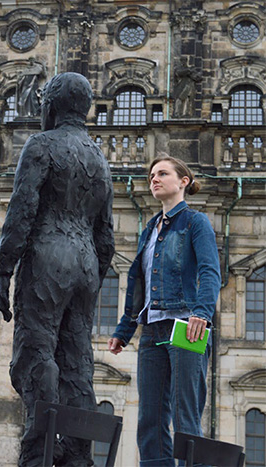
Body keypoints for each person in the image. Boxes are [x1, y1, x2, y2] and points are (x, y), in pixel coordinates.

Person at [0, 72, 115, 467]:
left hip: (48, 256)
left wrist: (3, 268)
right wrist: (94, 278)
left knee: (36, 352)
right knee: (78, 363)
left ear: (51, 105)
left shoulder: (41, 145)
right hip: (85, 264)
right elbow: (106, 235)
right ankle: (79, 454)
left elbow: (23, 209)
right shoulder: (100, 158)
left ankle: (37, 449)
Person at [108, 155, 221, 466]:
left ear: (183, 181)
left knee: (186, 415)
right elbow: (139, 284)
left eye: (162, 173)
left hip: (187, 325)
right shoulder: (150, 228)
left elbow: (211, 271)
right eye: (151, 175)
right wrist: (124, 330)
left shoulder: (195, 222)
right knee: (150, 418)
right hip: (152, 330)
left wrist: (202, 312)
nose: (154, 179)